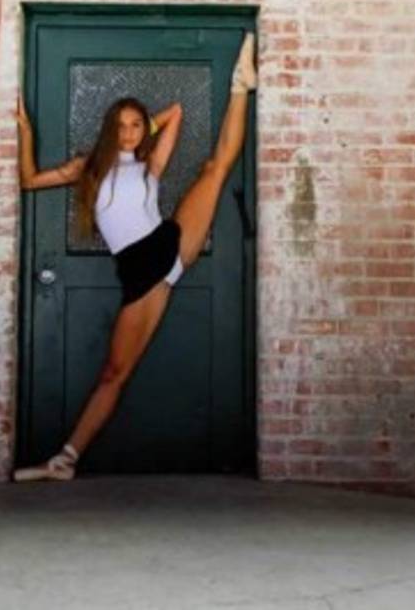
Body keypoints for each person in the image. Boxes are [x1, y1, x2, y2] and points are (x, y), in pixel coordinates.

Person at [13, 32, 258, 481]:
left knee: (215, 168)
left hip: (167, 243)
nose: (128, 133)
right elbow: (29, 180)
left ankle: (241, 84)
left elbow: (176, 112)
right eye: (121, 126)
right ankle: (64, 460)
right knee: (115, 372)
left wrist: (147, 129)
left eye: (135, 125)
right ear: (110, 129)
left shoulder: (149, 166)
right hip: (140, 274)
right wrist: (27, 132)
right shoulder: (88, 168)